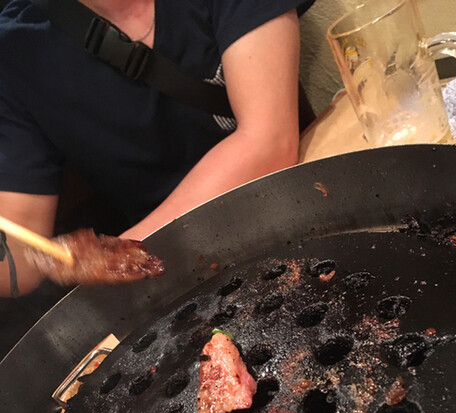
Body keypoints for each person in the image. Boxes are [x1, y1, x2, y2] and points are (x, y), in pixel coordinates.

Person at [0, 0, 315, 299]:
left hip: (303, 203)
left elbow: (270, 143)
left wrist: (116, 253)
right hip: (181, 274)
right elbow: (19, 264)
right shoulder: (14, 49)